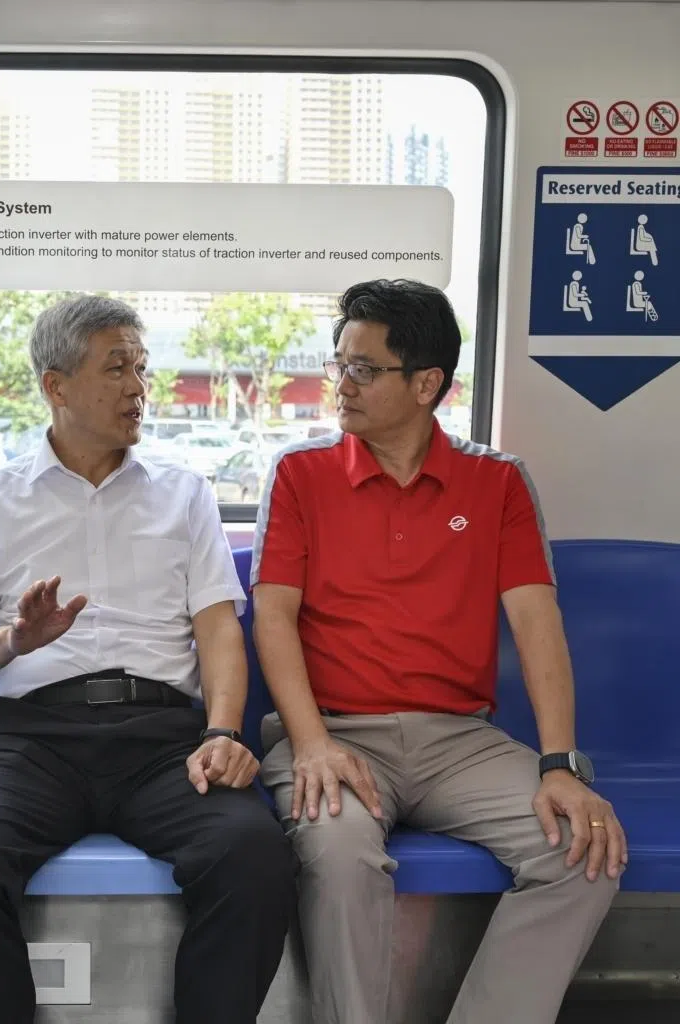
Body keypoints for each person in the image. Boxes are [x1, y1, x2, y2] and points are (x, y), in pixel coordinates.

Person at [0, 294, 295, 1024]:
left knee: (255, 858)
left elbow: (217, 630)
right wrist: (12, 640)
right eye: (117, 368)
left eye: (142, 368)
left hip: (164, 740)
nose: (139, 388)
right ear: (56, 385)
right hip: (31, 739)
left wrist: (222, 733)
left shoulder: (184, 495)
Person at [251, 279, 625, 1024]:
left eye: (364, 368)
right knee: (340, 855)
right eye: (339, 363)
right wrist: (313, 741)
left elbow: (537, 624)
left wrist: (560, 765)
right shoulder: (301, 474)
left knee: (583, 855)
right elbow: (272, 614)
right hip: (336, 732)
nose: (341, 385)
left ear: (427, 384)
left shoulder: (498, 483)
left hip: (460, 741)